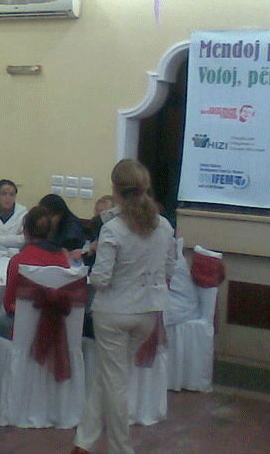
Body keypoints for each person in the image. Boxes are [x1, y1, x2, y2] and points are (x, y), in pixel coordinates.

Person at [71, 159, 175, 454]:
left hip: (113, 313)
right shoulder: (164, 226)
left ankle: (121, 449)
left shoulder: (113, 228)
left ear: (116, 188)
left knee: (115, 384)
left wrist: (90, 267)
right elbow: (170, 269)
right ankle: (83, 443)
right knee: (109, 378)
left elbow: (101, 279)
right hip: (148, 312)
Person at [2, 206, 70, 319]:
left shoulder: (19, 260)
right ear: (50, 232)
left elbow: (9, 305)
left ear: (25, 231)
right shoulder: (63, 259)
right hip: (56, 323)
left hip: (22, 325)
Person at [0, 179, 28, 249]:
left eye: (12, 195)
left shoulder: (23, 213)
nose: (8, 198)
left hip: (15, 254)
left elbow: (23, 240)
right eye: (4, 194)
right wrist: (12, 240)